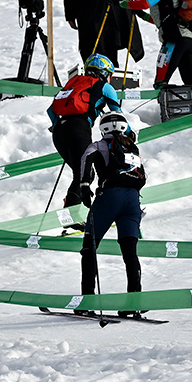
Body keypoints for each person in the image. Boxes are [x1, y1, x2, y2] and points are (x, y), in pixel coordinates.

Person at [71, 111, 146, 316]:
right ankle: (134, 301)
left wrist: (84, 187)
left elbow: (86, 161)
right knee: (130, 251)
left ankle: (87, 301)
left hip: (109, 197)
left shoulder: (98, 145)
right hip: (133, 201)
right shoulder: (133, 147)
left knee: (89, 248)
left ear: (102, 128)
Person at [48, 53, 121, 199]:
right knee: (84, 175)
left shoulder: (74, 83)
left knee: (82, 174)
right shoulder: (104, 87)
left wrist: (62, 126)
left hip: (58, 132)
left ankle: (72, 210)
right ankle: (72, 215)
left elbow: (51, 110)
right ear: (105, 73)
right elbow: (118, 116)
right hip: (79, 129)